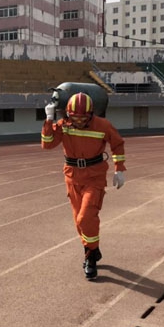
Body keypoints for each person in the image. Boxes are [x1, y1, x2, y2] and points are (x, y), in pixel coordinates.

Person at [41, 92, 126, 279]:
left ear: (91, 114)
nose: (79, 122)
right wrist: (49, 119)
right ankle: (92, 249)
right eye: (75, 118)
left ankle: (91, 257)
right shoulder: (63, 125)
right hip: (72, 177)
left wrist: (119, 169)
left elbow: (117, 144)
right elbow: (47, 144)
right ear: (68, 114)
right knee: (78, 221)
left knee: (85, 218)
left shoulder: (103, 125)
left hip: (94, 177)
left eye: (83, 118)